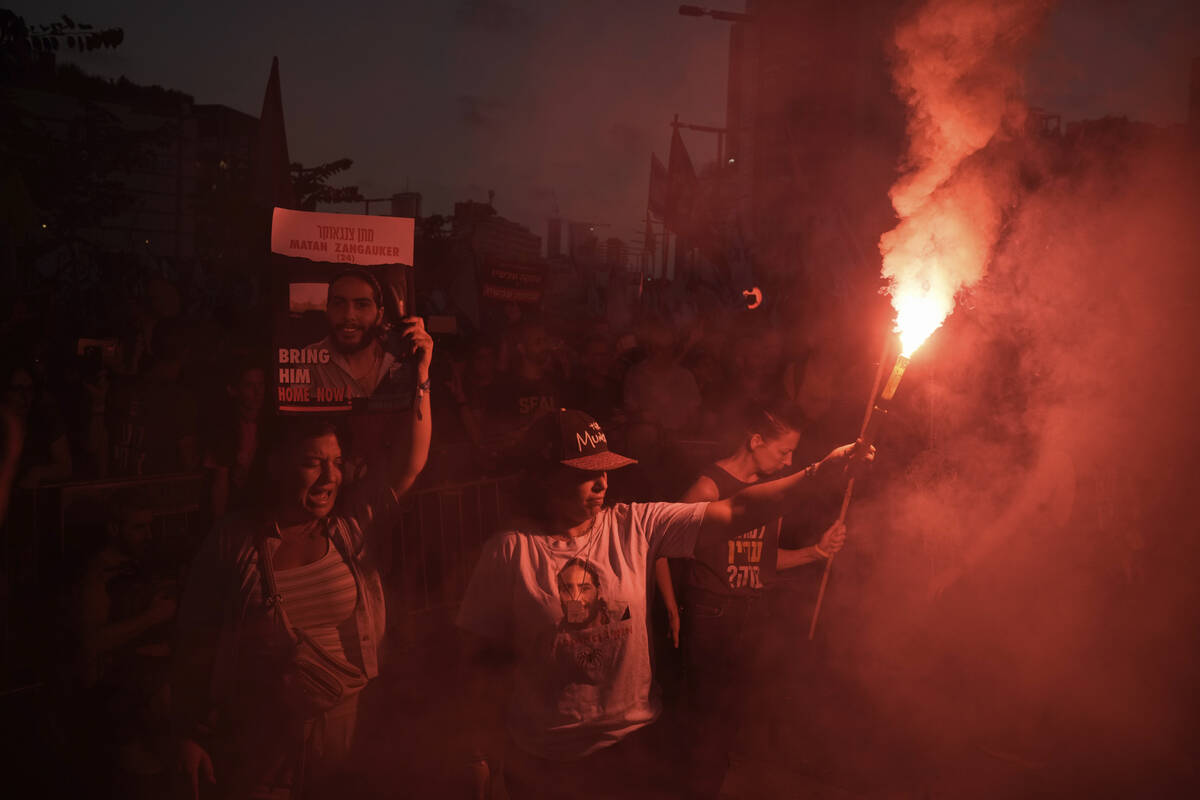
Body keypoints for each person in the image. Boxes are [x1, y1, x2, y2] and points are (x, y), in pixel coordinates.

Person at [457, 409, 866, 799]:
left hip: (631, 746)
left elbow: (737, 509)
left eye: (604, 470)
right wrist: (476, 753)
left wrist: (818, 472)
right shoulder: (510, 551)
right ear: (547, 479)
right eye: (585, 474)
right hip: (546, 758)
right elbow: (477, 660)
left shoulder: (635, 524)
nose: (602, 484)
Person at [173, 317, 433, 800]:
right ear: (277, 464)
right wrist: (189, 732)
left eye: (336, 462)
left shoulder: (349, 530)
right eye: (313, 462)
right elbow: (193, 639)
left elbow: (411, 463)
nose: (329, 477)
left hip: (347, 733)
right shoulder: (235, 542)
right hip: (260, 735)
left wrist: (420, 377)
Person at [654, 405, 847, 799]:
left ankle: (712, 783)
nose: (789, 461)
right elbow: (658, 545)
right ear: (756, 441)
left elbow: (760, 558)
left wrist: (815, 552)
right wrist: (671, 607)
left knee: (730, 717)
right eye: (783, 452)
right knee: (704, 718)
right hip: (710, 614)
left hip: (750, 612)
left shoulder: (768, 491)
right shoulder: (709, 488)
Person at [307, 269, 404, 400]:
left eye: (362, 305)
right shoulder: (309, 360)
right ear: (328, 310)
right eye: (339, 304)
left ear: (379, 315)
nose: (348, 315)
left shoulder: (400, 356)